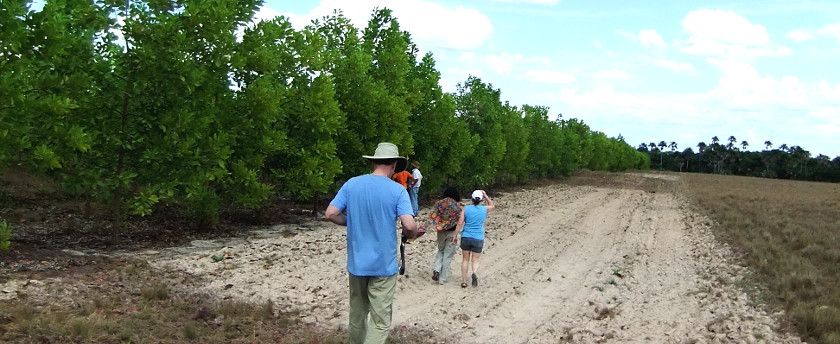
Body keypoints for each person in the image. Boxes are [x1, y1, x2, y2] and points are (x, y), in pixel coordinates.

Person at [325, 142, 418, 344]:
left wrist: (351, 221)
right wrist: (413, 234)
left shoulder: (352, 184)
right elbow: (409, 226)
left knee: (357, 316)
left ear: (373, 162)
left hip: (357, 263)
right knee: (380, 321)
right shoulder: (398, 191)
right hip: (383, 266)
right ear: (394, 165)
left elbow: (330, 214)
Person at [419, 187, 462, 285]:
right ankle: (442, 279)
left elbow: (433, 217)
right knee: (448, 255)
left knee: (441, 250)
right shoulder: (457, 206)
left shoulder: (439, 204)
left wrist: (425, 228)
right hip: (452, 232)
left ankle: (436, 269)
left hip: (441, 231)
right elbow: (460, 220)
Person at [453, 190, 494, 288]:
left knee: (465, 259)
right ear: (481, 199)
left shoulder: (466, 208)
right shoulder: (484, 209)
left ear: (471, 198)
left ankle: (463, 281)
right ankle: (474, 272)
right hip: (478, 237)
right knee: (475, 259)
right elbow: (492, 205)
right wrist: (485, 195)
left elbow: (459, 223)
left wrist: (455, 235)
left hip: (466, 236)